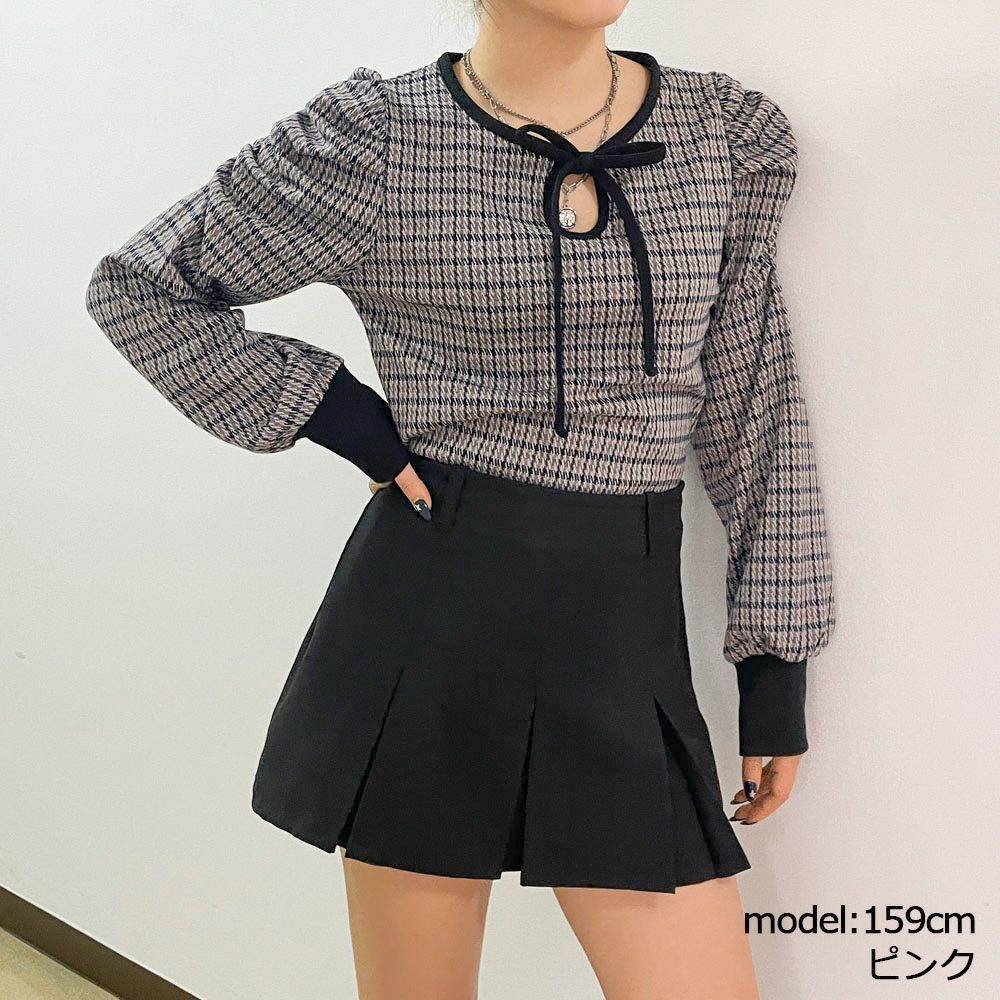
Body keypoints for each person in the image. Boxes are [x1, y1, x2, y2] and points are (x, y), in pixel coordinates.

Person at [84, 2, 835, 996]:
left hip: (624, 633)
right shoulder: (375, 141)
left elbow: (754, 406)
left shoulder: (719, 138)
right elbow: (139, 287)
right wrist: (339, 412)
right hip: (429, 623)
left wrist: (776, 667)